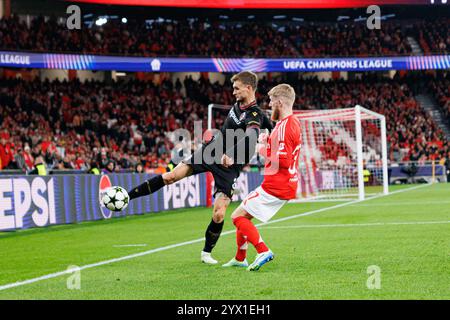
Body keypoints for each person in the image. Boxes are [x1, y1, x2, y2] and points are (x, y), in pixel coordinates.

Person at [124, 71, 273, 264]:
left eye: (237, 88)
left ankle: (206, 253)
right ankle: (128, 196)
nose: (233, 92)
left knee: (219, 213)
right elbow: (270, 126)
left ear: (249, 88)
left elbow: (252, 136)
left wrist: (235, 153)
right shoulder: (238, 106)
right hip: (211, 151)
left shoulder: (254, 114)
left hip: (230, 166)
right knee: (171, 176)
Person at [222, 83, 301, 271]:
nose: (270, 104)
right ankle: (240, 258)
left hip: (277, 185)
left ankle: (263, 250)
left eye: (272, 101)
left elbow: (283, 160)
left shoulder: (284, 126)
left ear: (280, 102)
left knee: (236, 216)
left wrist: (260, 148)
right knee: (243, 214)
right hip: (283, 183)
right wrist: (268, 142)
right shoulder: (290, 123)